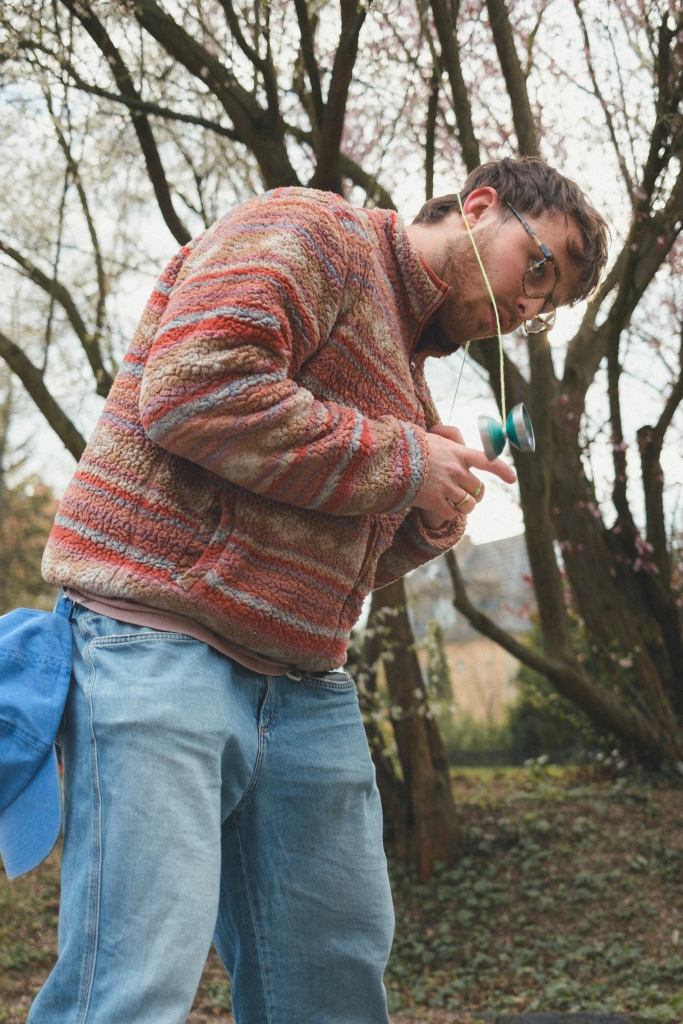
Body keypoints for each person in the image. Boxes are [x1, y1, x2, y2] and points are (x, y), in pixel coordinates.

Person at [33, 157, 608, 1024]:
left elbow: (330, 561)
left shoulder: (410, 386)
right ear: (479, 205)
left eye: (548, 304)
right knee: (132, 988)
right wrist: (406, 460)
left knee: (332, 992)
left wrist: (426, 513)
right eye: (538, 268)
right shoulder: (316, 230)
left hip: (304, 690)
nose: (529, 306)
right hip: (155, 642)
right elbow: (193, 389)